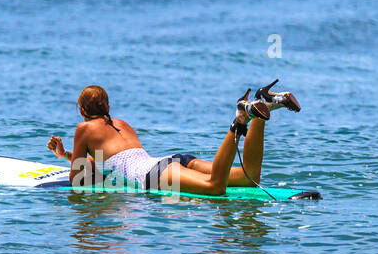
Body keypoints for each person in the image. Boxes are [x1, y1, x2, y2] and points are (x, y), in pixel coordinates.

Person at [46, 81, 300, 196]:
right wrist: (65, 155)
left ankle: (240, 119)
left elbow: (79, 180)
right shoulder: (121, 124)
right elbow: (105, 167)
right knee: (250, 178)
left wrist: (71, 160)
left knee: (216, 187)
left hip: (155, 175)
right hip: (172, 161)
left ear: (81, 110)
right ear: (107, 106)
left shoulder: (83, 128)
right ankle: (261, 108)